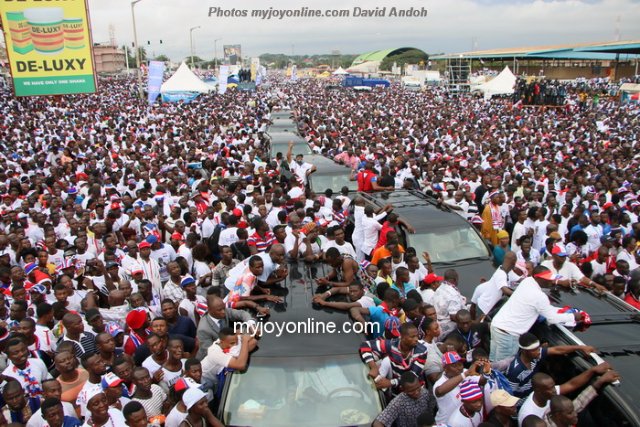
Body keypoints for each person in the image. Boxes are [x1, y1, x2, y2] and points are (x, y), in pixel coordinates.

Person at [489, 266, 584, 361]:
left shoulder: (527, 281)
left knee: (492, 364)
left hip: (497, 326)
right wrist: (573, 316)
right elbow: (552, 318)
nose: (550, 281)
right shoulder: (540, 296)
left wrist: (558, 282)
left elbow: (542, 307)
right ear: (537, 278)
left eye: (550, 278)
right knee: (502, 369)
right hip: (508, 335)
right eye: (547, 279)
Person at [503, 333, 596, 398]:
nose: (538, 351)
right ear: (524, 351)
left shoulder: (535, 355)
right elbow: (510, 395)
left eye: (538, 348)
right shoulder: (515, 371)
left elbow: (557, 350)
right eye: (534, 350)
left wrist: (580, 348)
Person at [517, 363, 614, 424]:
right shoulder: (528, 414)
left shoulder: (551, 400)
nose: (575, 414)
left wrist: (598, 379)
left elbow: (577, 396)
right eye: (570, 413)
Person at [359, 322, 428, 393]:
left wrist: (390, 382)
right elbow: (365, 345)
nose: (416, 339)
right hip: (397, 391)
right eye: (412, 337)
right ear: (402, 337)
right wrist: (374, 367)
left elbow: (413, 374)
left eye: (417, 336)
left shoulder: (422, 350)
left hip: (417, 389)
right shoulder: (391, 345)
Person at [544, 369, 620, 427]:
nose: (575, 414)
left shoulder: (560, 415)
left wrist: (600, 381)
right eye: (570, 413)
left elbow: (580, 402)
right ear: (558, 415)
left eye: (573, 410)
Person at [195, 294, 255, 360]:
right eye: (219, 310)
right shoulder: (203, 329)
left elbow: (241, 313)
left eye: (223, 308)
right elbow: (210, 352)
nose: (223, 312)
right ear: (209, 310)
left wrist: (251, 323)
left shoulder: (223, 310)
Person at [371, 372, 436, 427]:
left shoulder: (425, 393)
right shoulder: (398, 403)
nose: (417, 392)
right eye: (412, 391)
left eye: (418, 388)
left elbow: (431, 411)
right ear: (403, 390)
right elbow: (377, 423)